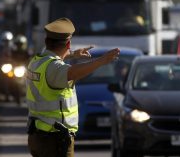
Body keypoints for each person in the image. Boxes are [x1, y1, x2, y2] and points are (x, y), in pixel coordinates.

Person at [26, 17, 120, 157]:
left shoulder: (36, 62)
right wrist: (101, 61)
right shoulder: (54, 68)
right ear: (68, 43)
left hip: (38, 135)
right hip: (55, 139)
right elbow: (72, 72)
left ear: (47, 41)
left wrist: (72, 54)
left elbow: (53, 61)